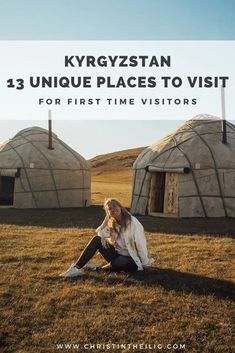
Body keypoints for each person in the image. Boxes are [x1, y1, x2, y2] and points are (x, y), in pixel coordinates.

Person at [60, 198, 155, 278]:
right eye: (109, 209)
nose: (113, 209)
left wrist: (144, 263)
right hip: (117, 255)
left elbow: (140, 243)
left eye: (114, 206)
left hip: (132, 259)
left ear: (120, 207)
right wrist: (106, 220)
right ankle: (76, 268)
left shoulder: (132, 222)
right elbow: (100, 234)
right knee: (96, 240)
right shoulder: (113, 223)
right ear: (108, 212)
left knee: (122, 261)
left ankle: (99, 268)